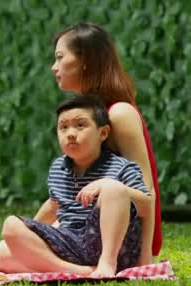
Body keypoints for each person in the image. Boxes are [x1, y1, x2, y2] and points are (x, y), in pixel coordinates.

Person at [0, 95, 151, 276]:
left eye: (80, 125)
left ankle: (107, 264)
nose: (71, 134)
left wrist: (106, 184)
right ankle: (81, 271)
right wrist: (26, 236)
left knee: (114, 189)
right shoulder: (59, 167)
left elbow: (146, 205)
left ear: (103, 133)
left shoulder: (121, 167)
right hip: (70, 242)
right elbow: (53, 204)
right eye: (63, 127)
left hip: (112, 246)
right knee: (1, 247)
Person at [50, 22, 161, 265]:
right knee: (4, 250)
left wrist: (146, 259)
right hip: (82, 230)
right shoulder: (85, 116)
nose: (54, 67)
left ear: (85, 60)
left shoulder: (119, 113)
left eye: (60, 57)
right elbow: (59, 198)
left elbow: (147, 194)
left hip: (119, 235)